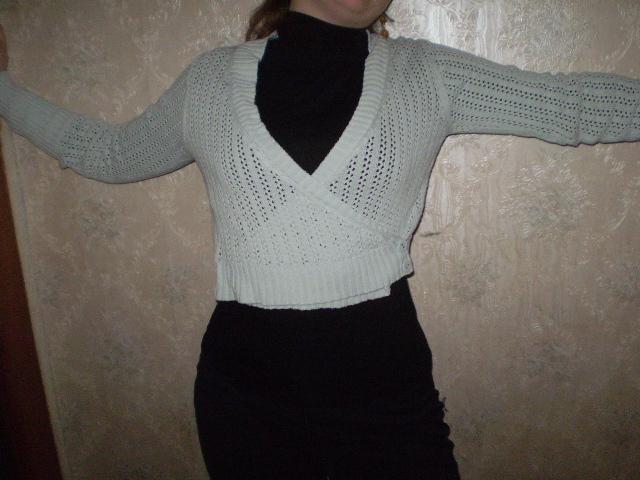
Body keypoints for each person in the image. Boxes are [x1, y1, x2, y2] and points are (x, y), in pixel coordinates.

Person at [0, 1, 638, 479]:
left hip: (383, 385)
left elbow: (569, 105)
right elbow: (111, 153)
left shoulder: (426, 72)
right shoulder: (209, 81)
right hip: (243, 392)